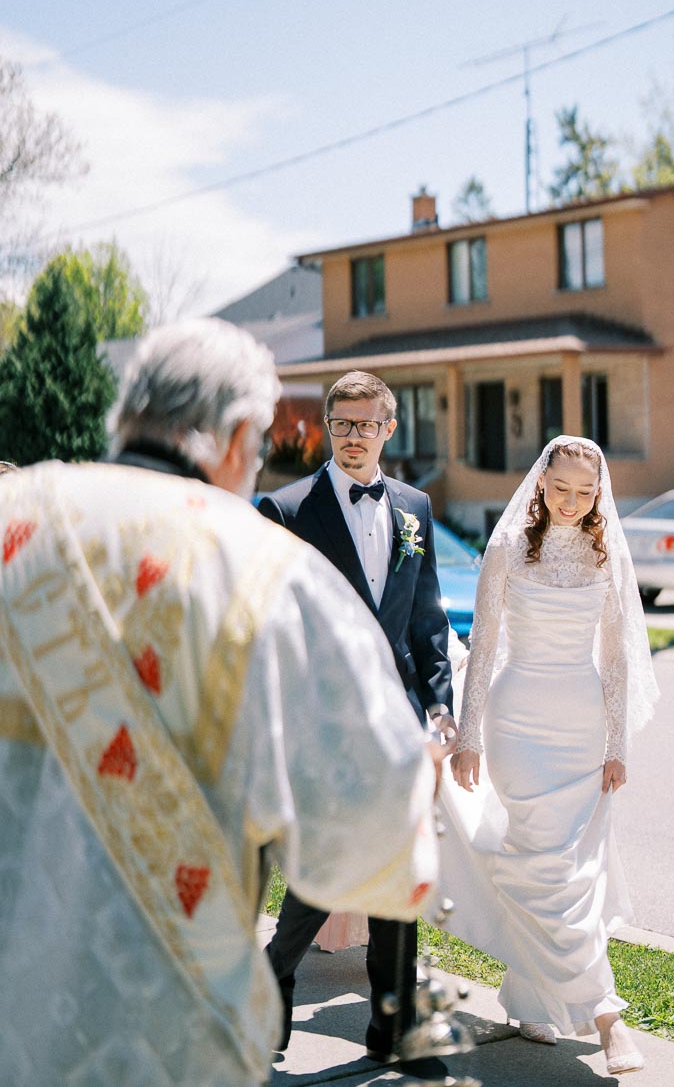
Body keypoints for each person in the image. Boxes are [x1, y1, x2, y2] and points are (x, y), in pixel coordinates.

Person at [0, 320, 439, 1087]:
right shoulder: (264, 567)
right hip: (157, 1024)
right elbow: (367, 837)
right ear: (238, 436)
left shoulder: (14, 512)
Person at [258, 369, 456, 1071]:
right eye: (342, 423)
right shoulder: (283, 510)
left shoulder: (414, 508)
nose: (353, 436)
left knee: (398, 867)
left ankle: (394, 1028)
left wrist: (440, 703)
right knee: (325, 867)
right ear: (327, 428)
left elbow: (427, 617)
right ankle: (271, 981)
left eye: (367, 424)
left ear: (389, 429)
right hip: (321, 720)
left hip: (399, 719)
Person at [447, 435, 659, 1076]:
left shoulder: (605, 556)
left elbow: (617, 660)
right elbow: (481, 647)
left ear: (600, 495)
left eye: (585, 492)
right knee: (546, 867)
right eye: (561, 487)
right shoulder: (508, 548)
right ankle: (607, 1018)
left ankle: (530, 994)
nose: (571, 501)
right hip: (517, 724)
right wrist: (469, 734)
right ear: (540, 483)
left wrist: (617, 744)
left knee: (571, 869)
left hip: (581, 726)